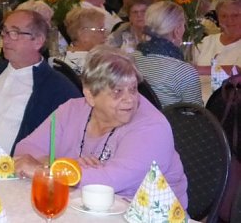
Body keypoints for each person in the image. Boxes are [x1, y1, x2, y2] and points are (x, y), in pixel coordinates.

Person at [14, 47, 188, 207]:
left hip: (145, 213)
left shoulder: (152, 127)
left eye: (133, 89)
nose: (130, 99)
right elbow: (25, 149)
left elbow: (112, 180)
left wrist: (45, 171)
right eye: (117, 91)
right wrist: (63, 165)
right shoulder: (72, 109)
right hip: (85, 208)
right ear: (90, 95)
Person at [0, 9, 81, 154]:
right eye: (4, 32)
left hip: (4, 171)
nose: (5, 39)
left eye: (15, 33)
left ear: (38, 40)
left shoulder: (57, 88)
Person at [133, 2, 202, 107]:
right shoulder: (183, 72)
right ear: (177, 30)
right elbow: (195, 116)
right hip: (171, 123)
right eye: (183, 25)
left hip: (139, 121)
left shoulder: (131, 59)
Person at [195, 0, 241, 68]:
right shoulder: (206, 41)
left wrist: (198, 70)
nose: (229, 20)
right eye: (224, 16)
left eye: (235, 15)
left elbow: (237, 71)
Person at [62, 7, 108, 74]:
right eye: (100, 30)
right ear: (83, 33)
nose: (105, 35)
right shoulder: (91, 67)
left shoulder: (66, 57)